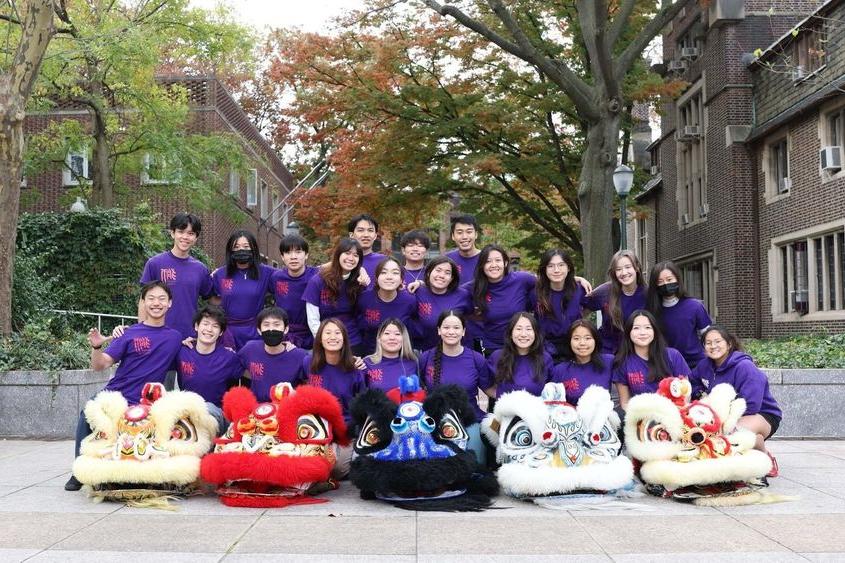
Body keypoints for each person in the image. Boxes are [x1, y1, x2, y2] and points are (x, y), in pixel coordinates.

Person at [65, 281, 183, 491]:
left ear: (170, 303)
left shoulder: (175, 337)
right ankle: (79, 471)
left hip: (146, 401)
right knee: (88, 412)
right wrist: (97, 346)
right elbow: (100, 365)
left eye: (161, 298)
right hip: (116, 395)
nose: (156, 303)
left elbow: (188, 356)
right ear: (144, 303)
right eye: (151, 299)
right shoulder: (129, 333)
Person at [691, 326, 782, 476]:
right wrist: (700, 394)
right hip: (723, 416)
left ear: (729, 344)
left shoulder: (745, 366)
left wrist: (723, 418)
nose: (713, 346)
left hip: (761, 414)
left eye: (718, 341)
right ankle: (757, 446)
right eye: (708, 343)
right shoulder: (704, 366)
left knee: (729, 434)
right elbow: (693, 382)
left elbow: (751, 404)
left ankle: (767, 459)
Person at [418, 311, 489, 464]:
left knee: (476, 461)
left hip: (469, 419)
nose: (451, 332)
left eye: (456, 328)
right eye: (446, 327)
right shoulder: (425, 358)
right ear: (438, 330)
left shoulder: (476, 359)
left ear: (463, 331)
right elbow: (417, 389)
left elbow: (490, 390)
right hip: (434, 419)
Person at [303, 319, 365, 478]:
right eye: (328, 333)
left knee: (337, 470)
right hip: (315, 427)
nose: (333, 337)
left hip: (344, 428)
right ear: (320, 338)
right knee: (312, 465)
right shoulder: (308, 363)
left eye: (338, 333)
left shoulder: (355, 369)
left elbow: (361, 406)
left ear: (344, 338)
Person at [138, 212, 214, 339]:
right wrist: (142, 332)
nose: (185, 237)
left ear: (196, 238)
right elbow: (143, 300)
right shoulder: (155, 263)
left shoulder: (200, 269)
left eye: (190, 233)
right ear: (172, 233)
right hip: (158, 336)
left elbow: (213, 299)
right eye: (181, 231)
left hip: (189, 338)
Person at [175, 305, 242, 434]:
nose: (209, 329)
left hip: (214, 414)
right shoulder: (182, 351)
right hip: (187, 412)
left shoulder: (229, 358)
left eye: (215, 326)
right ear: (196, 326)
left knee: (208, 409)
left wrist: (282, 347)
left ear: (221, 332)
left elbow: (254, 369)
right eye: (205, 324)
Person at [613, 309, 691, 410]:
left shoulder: (673, 355)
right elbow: (625, 403)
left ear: (654, 331)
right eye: (636, 328)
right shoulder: (622, 363)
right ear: (629, 332)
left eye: (647, 327)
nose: (642, 333)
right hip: (641, 417)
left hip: (674, 415)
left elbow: (686, 394)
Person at [211, 230, 274, 350]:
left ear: (254, 249)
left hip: (255, 332)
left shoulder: (266, 273)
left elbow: (290, 277)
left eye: (246, 246)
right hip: (228, 333)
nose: (241, 250)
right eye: (237, 247)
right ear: (230, 250)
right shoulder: (220, 274)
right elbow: (212, 298)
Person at [468, 244, 536, 354]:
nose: (493, 265)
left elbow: (548, 282)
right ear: (482, 265)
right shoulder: (475, 287)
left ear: (505, 263)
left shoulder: (521, 279)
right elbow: (453, 294)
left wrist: (571, 279)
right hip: (492, 348)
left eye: (498, 260)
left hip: (520, 345)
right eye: (488, 261)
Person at [303, 238, 366, 355]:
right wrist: (323, 341)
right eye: (347, 253)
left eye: (356, 255)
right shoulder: (318, 281)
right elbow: (313, 319)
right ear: (338, 255)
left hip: (352, 340)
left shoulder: (359, 281)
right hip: (326, 340)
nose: (351, 258)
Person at [646, 261, 712, 368]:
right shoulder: (651, 310)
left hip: (695, 366)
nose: (665, 284)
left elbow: (709, 337)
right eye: (660, 281)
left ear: (677, 279)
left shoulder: (695, 306)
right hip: (665, 366)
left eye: (669, 279)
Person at [583, 250, 648, 356]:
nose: (624, 272)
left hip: (637, 353)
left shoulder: (648, 294)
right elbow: (580, 306)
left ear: (636, 268)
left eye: (628, 267)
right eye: (618, 269)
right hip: (608, 354)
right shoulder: (604, 291)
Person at [237, 307, 308, 402]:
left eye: (276, 324)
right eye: (266, 325)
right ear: (259, 330)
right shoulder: (250, 349)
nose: (271, 329)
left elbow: (311, 386)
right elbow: (233, 366)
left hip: (286, 409)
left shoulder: (300, 356)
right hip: (256, 410)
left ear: (286, 329)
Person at [531, 249, 586, 361]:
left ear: (568, 267)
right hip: (544, 351)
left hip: (574, 348)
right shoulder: (535, 292)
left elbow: (590, 307)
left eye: (561, 265)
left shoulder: (580, 289)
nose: (556, 270)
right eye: (550, 266)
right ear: (544, 269)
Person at [355, 256, 416, 355]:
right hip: (369, 356)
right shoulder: (364, 298)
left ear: (401, 279)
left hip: (400, 356)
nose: (389, 277)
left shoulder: (410, 300)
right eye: (383, 272)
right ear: (376, 277)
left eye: (395, 273)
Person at [485, 312, 553, 398]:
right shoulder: (497, 357)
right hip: (505, 410)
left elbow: (550, 388)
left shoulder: (545, 358)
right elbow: (486, 385)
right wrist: (502, 399)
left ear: (535, 334)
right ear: (510, 334)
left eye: (528, 329)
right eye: (518, 329)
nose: (523, 334)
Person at [412, 256, 473, 351]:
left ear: (452, 278)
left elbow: (472, 315)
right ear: (428, 273)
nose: (441, 275)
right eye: (438, 270)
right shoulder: (417, 292)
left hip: (458, 352)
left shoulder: (463, 295)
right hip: (427, 351)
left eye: (447, 273)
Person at [550, 319, 614, 405]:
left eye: (588, 338)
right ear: (569, 342)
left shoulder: (609, 362)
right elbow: (554, 404)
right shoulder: (559, 370)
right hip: (571, 417)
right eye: (576, 338)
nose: (582, 343)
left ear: (596, 340)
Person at [272, 234, 319, 349]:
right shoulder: (276, 277)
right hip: (284, 337)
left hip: (311, 336)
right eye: (288, 253)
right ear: (282, 257)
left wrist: (361, 270)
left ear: (306, 255)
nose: (293, 257)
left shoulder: (317, 275)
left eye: (298, 252)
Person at [363, 319, 419, 391]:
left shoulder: (413, 363)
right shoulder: (367, 363)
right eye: (387, 333)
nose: (392, 338)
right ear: (379, 338)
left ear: (404, 339)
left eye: (397, 334)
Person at [348, 213, 386, 289]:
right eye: (360, 230)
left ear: (375, 236)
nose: (366, 235)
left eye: (370, 230)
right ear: (351, 235)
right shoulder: (344, 261)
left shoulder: (385, 261)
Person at [445, 214, 481, 285]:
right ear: (453, 236)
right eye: (459, 232)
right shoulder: (447, 259)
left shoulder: (486, 258)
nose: (464, 237)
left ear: (476, 234)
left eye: (469, 232)